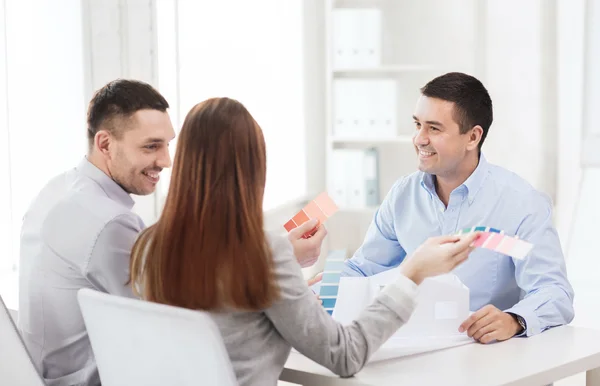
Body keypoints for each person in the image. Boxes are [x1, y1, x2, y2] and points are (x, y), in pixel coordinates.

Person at [129, 97, 479, 386]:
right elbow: (345, 355)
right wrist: (412, 275)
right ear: (251, 169)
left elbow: (222, 296)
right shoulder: (264, 254)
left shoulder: (150, 246)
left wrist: (282, 255)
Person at [17, 79, 327, 386]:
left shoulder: (57, 191)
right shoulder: (111, 224)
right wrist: (274, 275)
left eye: (168, 145)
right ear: (105, 144)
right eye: (151, 146)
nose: (166, 161)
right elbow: (182, 323)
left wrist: (272, 260)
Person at [342, 72, 574, 343]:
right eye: (417, 124)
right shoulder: (403, 195)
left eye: (434, 128)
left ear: (473, 137)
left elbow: (554, 291)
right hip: (416, 346)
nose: (419, 138)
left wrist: (513, 319)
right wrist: (318, 289)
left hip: (488, 356)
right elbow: (366, 267)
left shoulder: (521, 203)